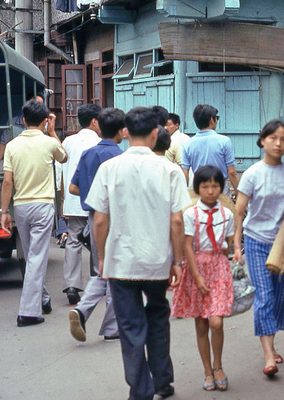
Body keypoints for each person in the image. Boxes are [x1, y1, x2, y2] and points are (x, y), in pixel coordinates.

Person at [85, 107, 191, 400]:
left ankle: (140, 390)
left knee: (130, 326)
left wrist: (103, 257)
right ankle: (163, 382)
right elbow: (178, 220)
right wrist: (178, 260)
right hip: (157, 261)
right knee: (158, 317)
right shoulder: (169, 170)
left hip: (121, 261)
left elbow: (100, 218)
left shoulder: (110, 168)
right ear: (156, 133)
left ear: (126, 132)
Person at [232, 120, 284, 377]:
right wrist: (236, 245)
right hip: (256, 242)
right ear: (262, 140)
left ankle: (271, 345)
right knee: (265, 295)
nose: (278, 143)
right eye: (273, 137)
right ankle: (267, 355)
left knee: (278, 295)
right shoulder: (252, 173)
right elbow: (239, 213)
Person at [1, 99, 67, 326]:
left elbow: (7, 182)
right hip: (43, 205)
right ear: (45, 120)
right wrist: (52, 132)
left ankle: (44, 299)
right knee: (37, 258)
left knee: (32, 256)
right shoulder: (49, 143)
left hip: (20, 206)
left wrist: (3, 211)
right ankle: (28, 312)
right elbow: (64, 156)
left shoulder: (11, 146)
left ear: (23, 120)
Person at [171, 166, 234, 392]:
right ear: (197, 188)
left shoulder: (227, 214)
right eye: (205, 186)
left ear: (221, 187)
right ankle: (207, 370)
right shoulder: (190, 214)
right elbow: (187, 244)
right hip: (196, 268)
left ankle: (218, 365)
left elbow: (228, 242)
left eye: (215, 186)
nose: (210, 191)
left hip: (218, 268)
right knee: (201, 324)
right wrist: (196, 276)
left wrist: (229, 260)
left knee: (216, 321)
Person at [67, 108, 125, 343]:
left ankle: (82, 310)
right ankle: (111, 326)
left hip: (92, 217)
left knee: (103, 267)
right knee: (115, 271)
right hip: (116, 217)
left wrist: (94, 196)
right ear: (122, 131)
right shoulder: (120, 157)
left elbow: (72, 188)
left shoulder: (89, 154)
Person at [61, 103, 102, 305]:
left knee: (73, 241)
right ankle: (97, 282)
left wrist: (62, 200)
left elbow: (62, 171)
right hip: (95, 201)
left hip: (73, 199)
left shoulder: (68, 141)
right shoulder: (100, 142)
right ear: (95, 121)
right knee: (97, 241)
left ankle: (72, 285)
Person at [182, 105, 239, 194]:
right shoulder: (224, 141)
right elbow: (231, 172)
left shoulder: (187, 144)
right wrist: (239, 194)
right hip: (219, 191)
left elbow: (185, 173)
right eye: (217, 118)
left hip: (199, 191)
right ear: (212, 120)